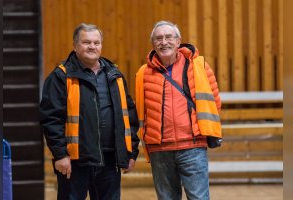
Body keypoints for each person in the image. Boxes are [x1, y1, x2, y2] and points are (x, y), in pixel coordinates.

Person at [40, 23, 140, 200]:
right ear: (75, 46)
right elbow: (51, 119)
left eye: (96, 42)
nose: (92, 46)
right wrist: (60, 155)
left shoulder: (114, 75)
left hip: (110, 160)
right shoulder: (61, 76)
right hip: (75, 161)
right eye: (86, 42)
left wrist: (130, 152)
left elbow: (129, 116)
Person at [135, 20, 222, 200]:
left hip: (193, 147)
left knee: (199, 198)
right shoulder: (143, 73)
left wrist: (200, 131)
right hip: (160, 149)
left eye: (168, 37)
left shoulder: (199, 66)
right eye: (158, 38)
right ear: (153, 43)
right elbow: (141, 112)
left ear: (178, 41)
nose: (164, 42)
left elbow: (214, 103)